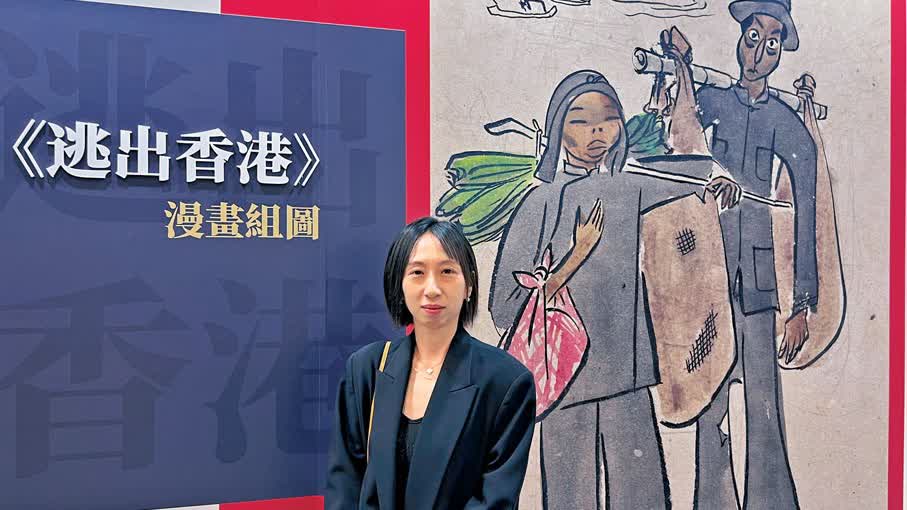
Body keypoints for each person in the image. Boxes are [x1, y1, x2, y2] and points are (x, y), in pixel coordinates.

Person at [490, 69, 740, 509]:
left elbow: (681, 178)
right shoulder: (540, 202)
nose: (597, 132)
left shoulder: (624, 188)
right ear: (557, 129)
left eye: (608, 119)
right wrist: (574, 257)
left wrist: (716, 176)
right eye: (580, 121)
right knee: (571, 500)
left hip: (628, 378)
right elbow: (504, 306)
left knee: (643, 497)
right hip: (566, 385)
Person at [663, 1, 819, 507]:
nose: (757, 54)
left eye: (771, 44)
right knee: (708, 398)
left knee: (763, 405)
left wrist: (801, 306)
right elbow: (682, 147)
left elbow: (807, 214)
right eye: (753, 38)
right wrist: (682, 65)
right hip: (705, 275)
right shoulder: (712, 101)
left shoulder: (787, 124)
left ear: (780, 53)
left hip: (758, 283)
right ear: (740, 38)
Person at [326, 217, 536, 509]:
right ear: (399, 285)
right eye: (417, 272)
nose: (432, 288)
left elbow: (494, 501)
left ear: (469, 285)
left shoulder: (506, 382)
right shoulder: (366, 370)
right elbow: (345, 487)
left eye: (447, 271)